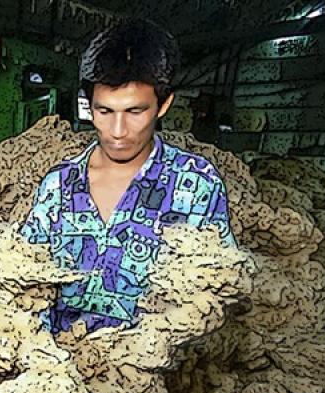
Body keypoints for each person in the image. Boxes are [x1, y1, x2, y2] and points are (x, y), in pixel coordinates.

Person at [21, 17, 236, 335]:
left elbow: (213, 294)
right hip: (58, 370)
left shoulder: (196, 187)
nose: (117, 132)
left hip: (147, 372)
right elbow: (27, 277)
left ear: (163, 105)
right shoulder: (59, 186)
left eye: (135, 112)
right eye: (104, 111)